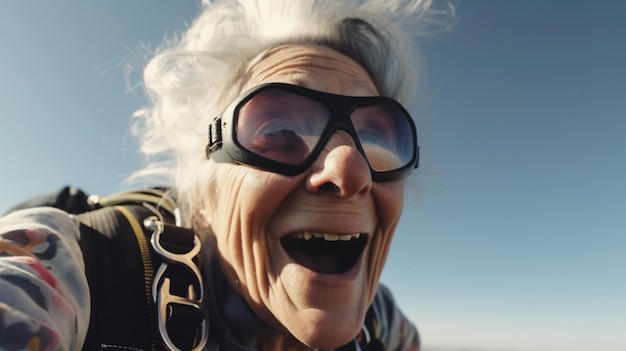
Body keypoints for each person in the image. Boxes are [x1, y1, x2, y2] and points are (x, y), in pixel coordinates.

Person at [0, 0, 452, 350]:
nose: (351, 170)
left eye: (377, 139)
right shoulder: (80, 261)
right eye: (279, 131)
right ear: (203, 194)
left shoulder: (382, 322)